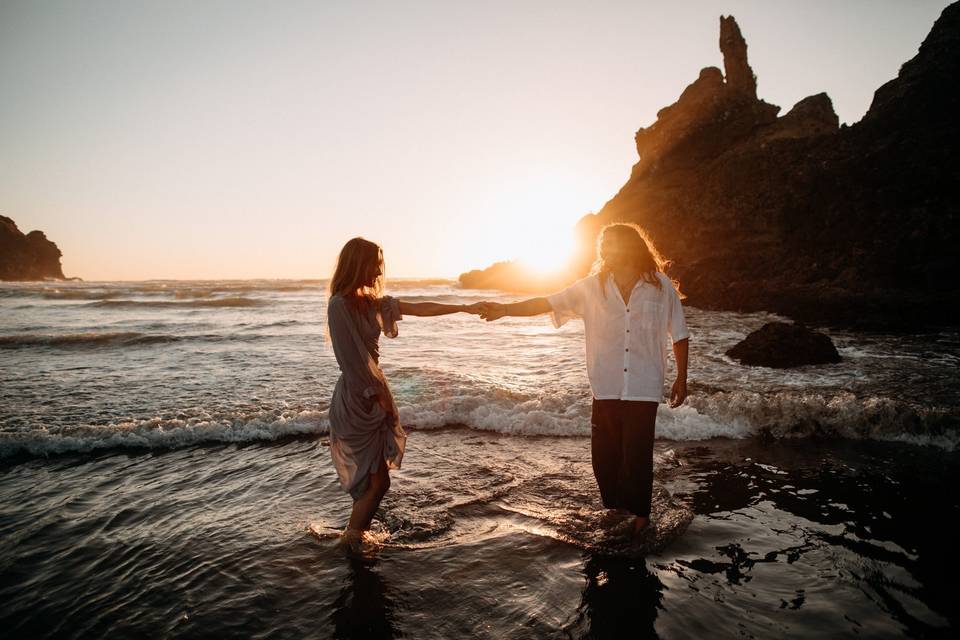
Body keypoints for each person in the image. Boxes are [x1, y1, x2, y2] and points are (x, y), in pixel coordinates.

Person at [477, 223, 690, 535]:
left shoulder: (660, 286)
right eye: (603, 245)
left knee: (637, 455)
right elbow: (547, 302)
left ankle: (642, 519)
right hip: (605, 384)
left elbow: (680, 333)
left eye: (612, 244)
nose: (605, 250)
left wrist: (681, 378)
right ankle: (616, 508)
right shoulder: (592, 286)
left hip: (644, 385)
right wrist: (505, 309)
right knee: (604, 458)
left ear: (630, 246)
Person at [326, 237, 479, 547]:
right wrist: (376, 397)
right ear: (359, 264)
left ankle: (355, 536)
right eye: (375, 264)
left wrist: (464, 307)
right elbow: (351, 360)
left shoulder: (371, 303)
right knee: (378, 481)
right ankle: (353, 541)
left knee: (378, 480)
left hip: (373, 394)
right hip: (359, 400)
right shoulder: (339, 306)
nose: (379, 271)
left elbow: (420, 307)